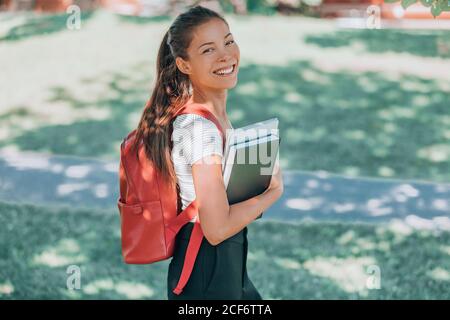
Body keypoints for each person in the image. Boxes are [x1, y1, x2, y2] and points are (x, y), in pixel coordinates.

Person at [133, 5, 284, 300]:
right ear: (184, 64)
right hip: (206, 273)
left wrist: (258, 179)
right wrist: (271, 193)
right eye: (208, 50)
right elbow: (215, 228)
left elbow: (226, 208)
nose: (226, 55)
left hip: (228, 268)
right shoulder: (199, 129)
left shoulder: (215, 118)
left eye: (228, 41)